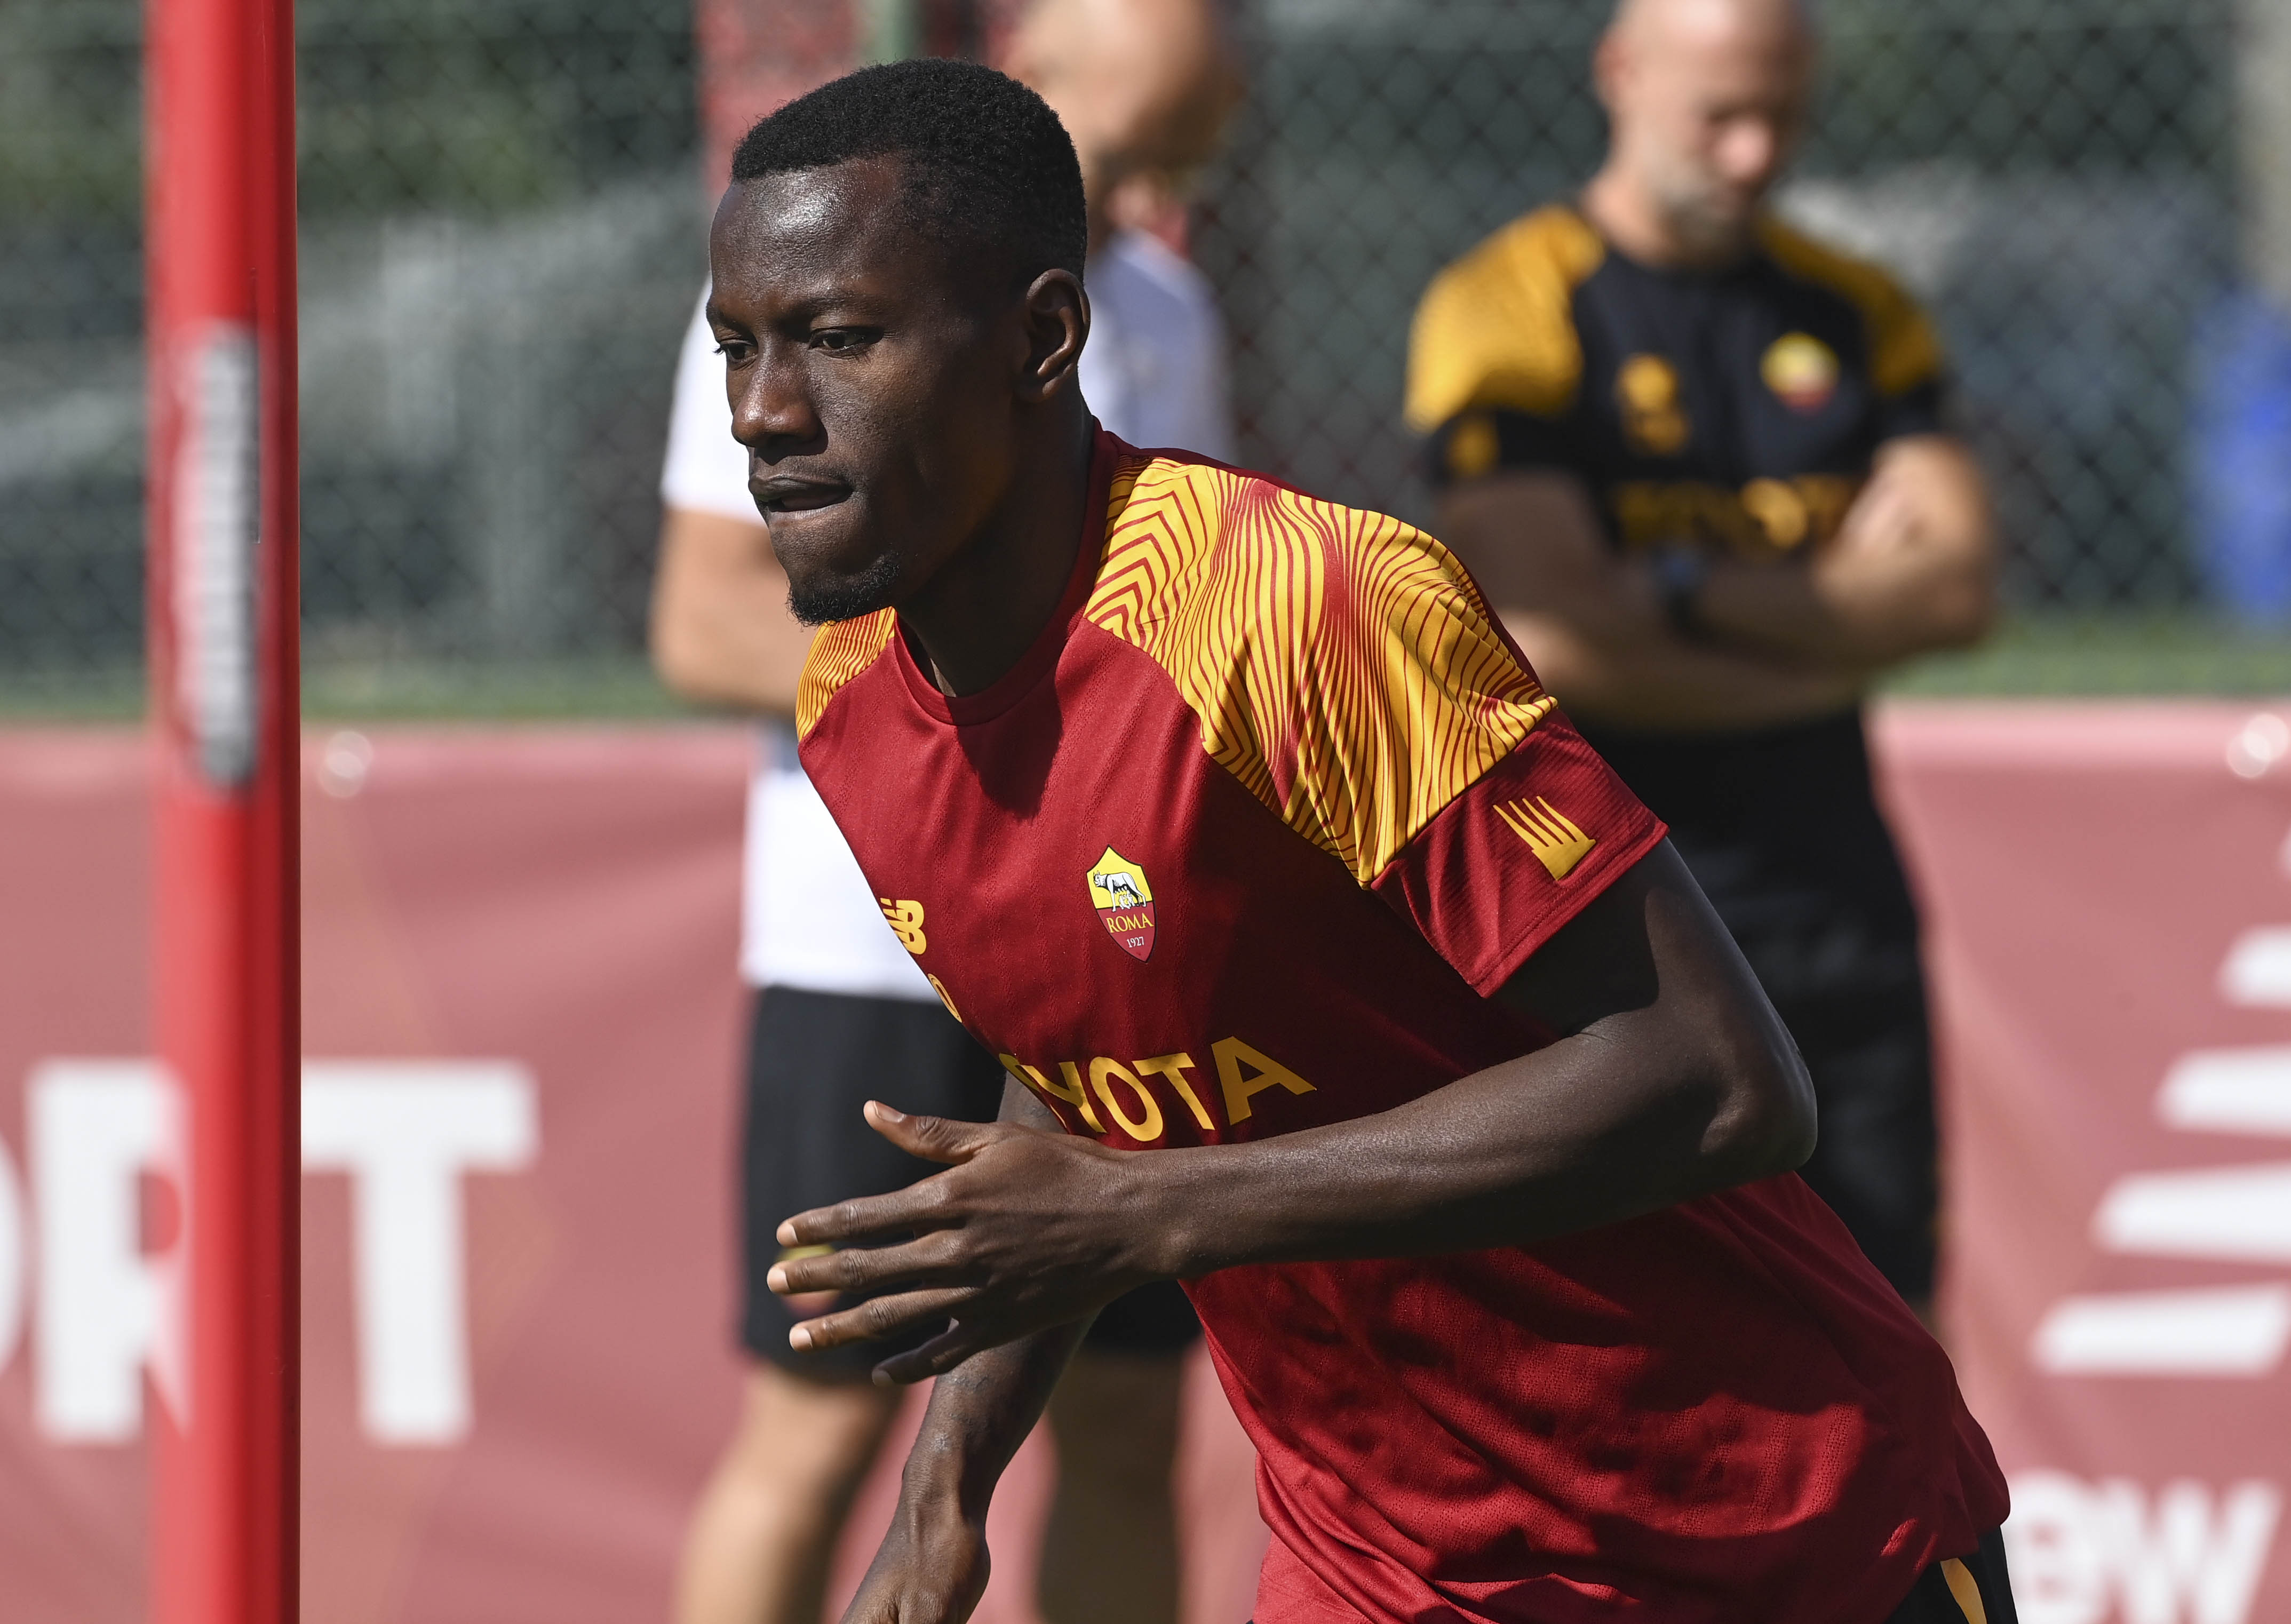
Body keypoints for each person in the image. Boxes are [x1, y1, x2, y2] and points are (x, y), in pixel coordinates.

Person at [704, 55, 2013, 1624]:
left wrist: (1148, 1209)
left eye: (837, 340)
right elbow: (1074, 1051)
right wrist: (938, 1503)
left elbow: (1721, 1076)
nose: (765, 414)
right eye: (738, 349)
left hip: (1762, 1539)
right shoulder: (853, 704)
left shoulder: (1295, 607)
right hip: (1382, 1571)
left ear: (1042, 340)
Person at [650, 8, 1240, 1623]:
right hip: (873, 958)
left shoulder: (1165, 306)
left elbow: (1183, 617)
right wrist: (976, 675)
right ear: (1054, 45)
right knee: (826, 1420)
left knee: (1126, 1416)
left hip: (1122, 943)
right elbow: (703, 624)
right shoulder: (806, 285)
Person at [1405, 0, 1998, 1313]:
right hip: (1605, 914)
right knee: (1628, 1337)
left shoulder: (1856, 310)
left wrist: (1665, 589)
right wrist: (1835, 615)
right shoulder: (1505, 305)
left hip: (1832, 894)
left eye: (1781, 116)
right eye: (1718, 115)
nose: (1752, 154)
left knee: (1883, 1319)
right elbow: (1546, 629)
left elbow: (1956, 585)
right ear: (1620, 73)